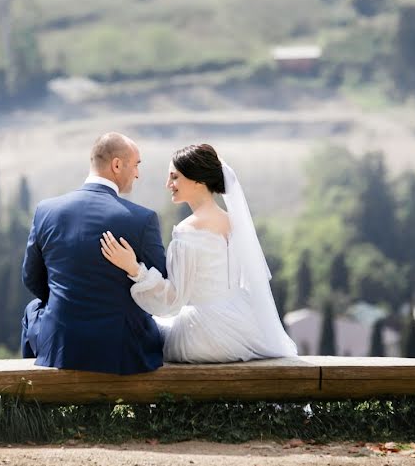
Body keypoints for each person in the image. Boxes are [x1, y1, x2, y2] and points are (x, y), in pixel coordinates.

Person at [100, 144, 298, 363]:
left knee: (144, 331)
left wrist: (135, 269)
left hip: (204, 336)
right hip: (244, 329)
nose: (168, 184)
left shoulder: (188, 231)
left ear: (198, 180)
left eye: (174, 177)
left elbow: (173, 300)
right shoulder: (234, 223)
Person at [21, 132, 167, 374]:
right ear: (117, 165)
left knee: (32, 310)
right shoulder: (142, 219)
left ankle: (32, 403)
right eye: (136, 165)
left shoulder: (45, 211)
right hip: (122, 349)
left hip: (62, 344)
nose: (138, 174)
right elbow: (159, 281)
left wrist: (69, 301)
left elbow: (31, 278)